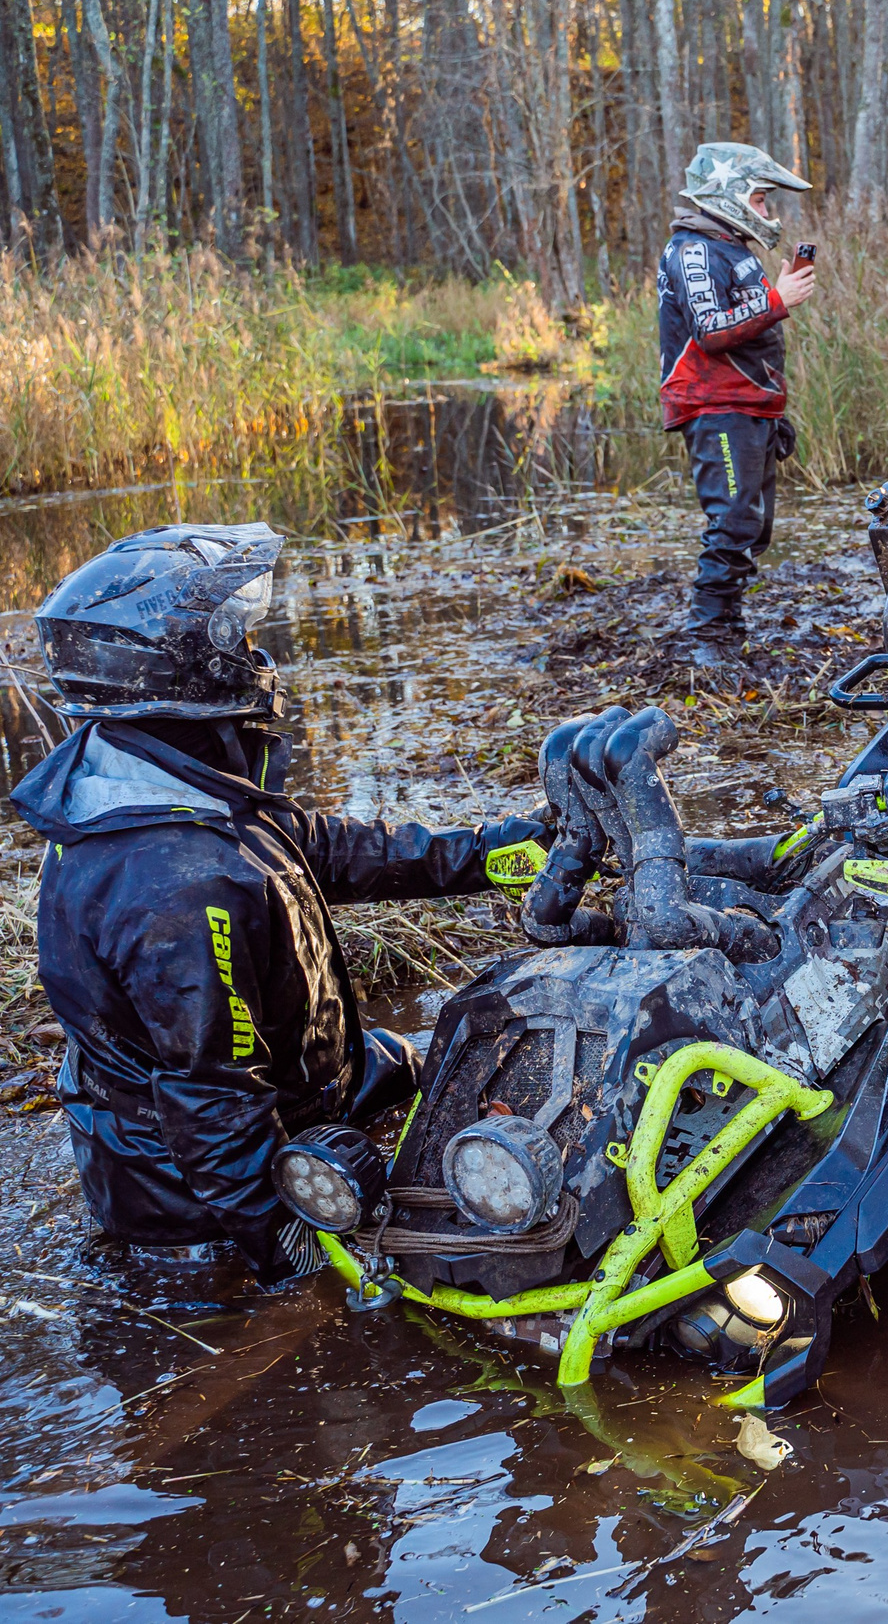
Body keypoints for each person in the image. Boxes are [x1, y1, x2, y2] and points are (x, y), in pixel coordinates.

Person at [9, 525, 550, 1285]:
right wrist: (292, 1254)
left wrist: (492, 853)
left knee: (451, 1060)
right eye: (237, 640)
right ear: (178, 667)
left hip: (302, 1083)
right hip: (192, 1200)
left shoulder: (161, 776)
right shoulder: (177, 889)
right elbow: (212, 1104)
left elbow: (326, 847)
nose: (255, 658)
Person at [657, 141, 821, 651]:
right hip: (714, 407)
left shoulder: (732, 249)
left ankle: (728, 626)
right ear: (728, 195)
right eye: (759, 199)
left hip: (749, 406)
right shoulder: (693, 249)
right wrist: (778, 299)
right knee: (731, 521)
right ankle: (708, 636)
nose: (767, 211)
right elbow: (709, 329)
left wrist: (773, 409)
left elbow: (749, 334)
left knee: (753, 526)